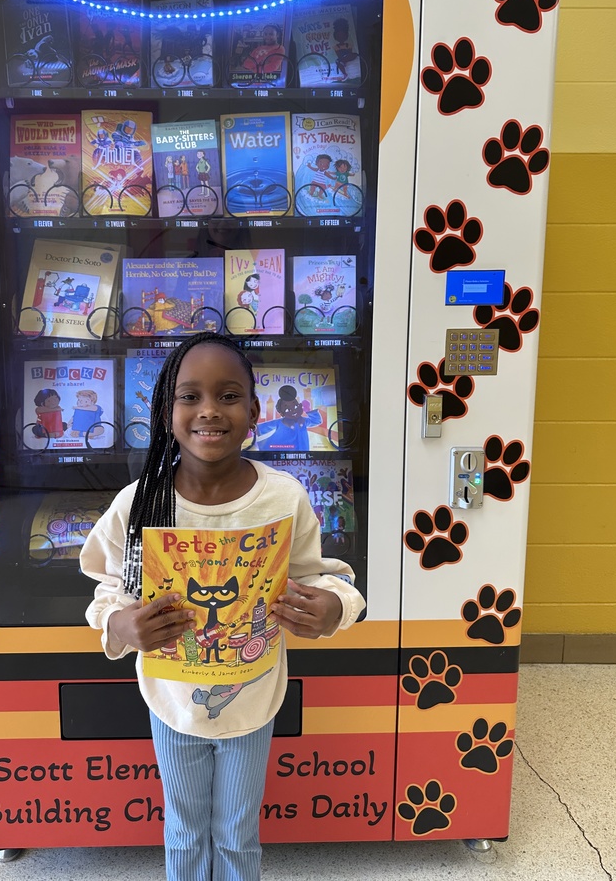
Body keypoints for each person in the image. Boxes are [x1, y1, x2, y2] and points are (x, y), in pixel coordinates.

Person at [80, 332, 365, 881]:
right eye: (190, 396)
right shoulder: (141, 504)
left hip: (253, 699)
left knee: (238, 834)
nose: (209, 410)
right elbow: (110, 587)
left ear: (254, 410)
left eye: (228, 395)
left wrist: (335, 608)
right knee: (185, 832)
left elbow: (317, 577)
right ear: (167, 411)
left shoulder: (284, 498)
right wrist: (120, 623)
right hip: (172, 700)